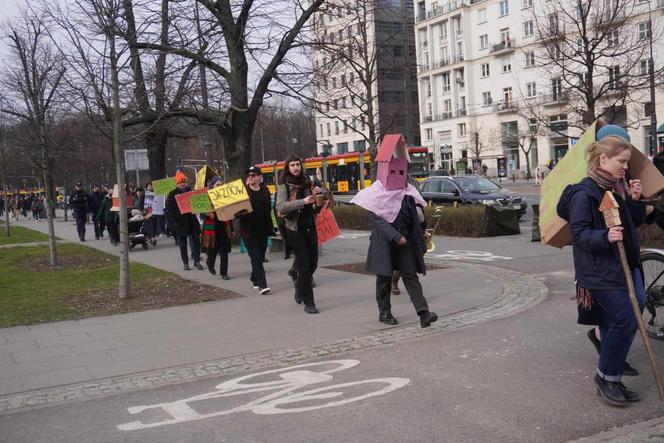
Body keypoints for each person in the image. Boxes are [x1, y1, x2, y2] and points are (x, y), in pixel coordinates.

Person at [557, 135, 646, 406]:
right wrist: (605, 237)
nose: (625, 167)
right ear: (603, 159)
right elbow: (580, 234)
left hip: (624, 266)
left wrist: (635, 200)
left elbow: (634, 223)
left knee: (618, 321)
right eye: (621, 161)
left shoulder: (617, 188)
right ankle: (607, 377)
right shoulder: (584, 193)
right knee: (625, 321)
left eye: (626, 162)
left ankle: (612, 373)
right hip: (600, 271)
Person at [351, 135, 438, 328]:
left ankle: (424, 314)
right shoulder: (376, 192)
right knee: (384, 277)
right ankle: (385, 312)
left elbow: (415, 214)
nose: (397, 173)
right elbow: (376, 219)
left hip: (405, 241)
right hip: (385, 241)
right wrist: (395, 236)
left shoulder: (408, 190)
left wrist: (421, 230)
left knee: (410, 276)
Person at [276, 155, 327, 313]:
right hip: (295, 229)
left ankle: (299, 286)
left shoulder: (309, 179)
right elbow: (281, 207)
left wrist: (321, 192)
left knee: (313, 264)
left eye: (298, 164)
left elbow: (326, 193)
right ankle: (309, 303)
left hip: (310, 227)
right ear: (288, 168)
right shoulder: (284, 184)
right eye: (292, 165)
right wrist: (303, 202)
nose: (296, 167)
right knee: (304, 266)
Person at [239, 166, 274, 295]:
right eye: (249, 175)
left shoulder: (265, 190)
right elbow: (236, 211)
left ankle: (254, 278)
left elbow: (268, 209)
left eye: (253, 175)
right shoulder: (243, 192)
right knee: (255, 257)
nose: (250, 177)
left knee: (260, 256)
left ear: (260, 177)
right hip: (248, 231)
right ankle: (263, 285)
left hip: (263, 229)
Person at [166, 171, 203, 271]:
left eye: (183, 182)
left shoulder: (190, 191)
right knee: (183, 243)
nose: (182, 184)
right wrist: (175, 221)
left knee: (196, 242)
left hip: (192, 220)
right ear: (177, 183)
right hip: (181, 222)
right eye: (180, 182)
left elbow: (197, 203)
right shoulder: (172, 194)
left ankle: (197, 261)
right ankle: (185, 263)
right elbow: (170, 209)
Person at [202, 176, 233, 280]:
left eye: (221, 185)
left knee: (224, 251)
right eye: (217, 185)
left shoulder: (225, 197)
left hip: (224, 226)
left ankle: (224, 273)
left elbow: (230, 214)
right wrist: (207, 214)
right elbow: (201, 213)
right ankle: (210, 263)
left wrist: (232, 229)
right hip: (212, 227)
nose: (219, 187)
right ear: (213, 186)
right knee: (213, 249)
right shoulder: (207, 197)